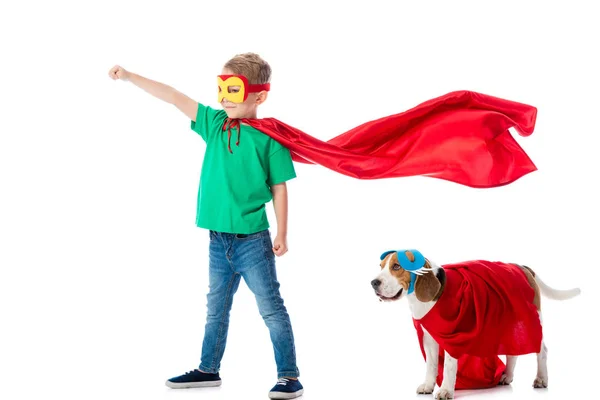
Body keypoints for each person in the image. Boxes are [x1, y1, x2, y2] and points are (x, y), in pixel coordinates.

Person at [108, 52, 303, 399]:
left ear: (259, 95)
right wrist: (129, 76)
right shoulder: (214, 124)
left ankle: (289, 376)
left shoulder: (269, 138)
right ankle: (208, 369)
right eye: (221, 88)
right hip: (218, 242)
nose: (225, 97)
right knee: (216, 308)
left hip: (252, 242)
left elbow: (279, 187)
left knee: (271, 308)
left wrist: (282, 232)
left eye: (234, 89)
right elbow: (172, 95)